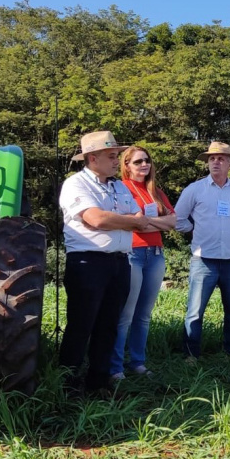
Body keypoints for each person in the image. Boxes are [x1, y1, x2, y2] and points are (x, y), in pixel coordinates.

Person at [58, 131, 149, 392]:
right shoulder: (76, 184)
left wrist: (117, 220)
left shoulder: (119, 186)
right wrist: (126, 221)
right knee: (81, 325)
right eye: (111, 156)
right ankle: (67, 386)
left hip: (119, 263)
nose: (115, 161)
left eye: (116, 155)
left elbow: (140, 218)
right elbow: (96, 219)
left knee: (108, 326)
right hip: (88, 263)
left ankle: (98, 384)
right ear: (92, 158)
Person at [110, 146, 177, 380]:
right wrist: (154, 222)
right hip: (133, 253)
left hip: (155, 255)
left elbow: (173, 222)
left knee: (144, 315)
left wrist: (145, 221)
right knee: (125, 314)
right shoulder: (121, 189)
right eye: (138, 161)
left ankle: (137, 363)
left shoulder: (155, 191)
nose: (144, 165)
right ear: (126, 165)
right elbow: (127, 222)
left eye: (146, 160)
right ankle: (115, 367)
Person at [174, 142, 230, 360]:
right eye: (212, 158)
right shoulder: (195, 189)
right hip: (203, 260)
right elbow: (177, 218)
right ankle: (191, 354)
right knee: (195, 312)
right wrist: (194, 230)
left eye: (221, 159)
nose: (215, 162)